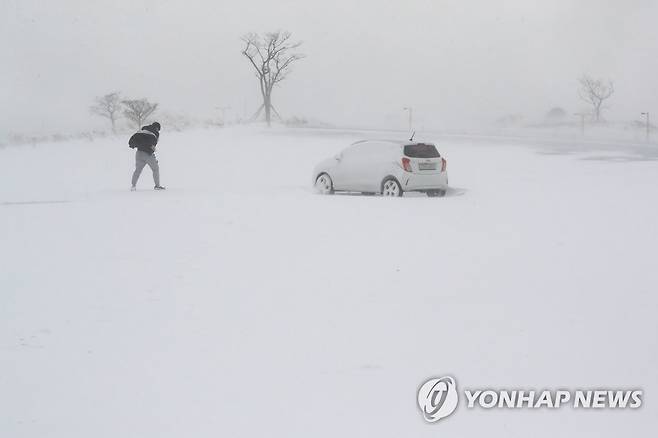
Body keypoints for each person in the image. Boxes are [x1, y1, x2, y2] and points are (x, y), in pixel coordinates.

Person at [129, 122, 165, 191]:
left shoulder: (142, 130)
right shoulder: (155, 133)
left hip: (138, 153)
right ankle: (157, 186)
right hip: (148, 154)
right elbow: (152, 146)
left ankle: (133, 186)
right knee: (155, 169)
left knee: (137, 170)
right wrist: (153, 156)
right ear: (157, 128)